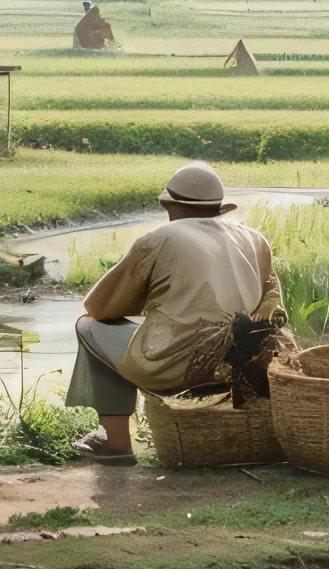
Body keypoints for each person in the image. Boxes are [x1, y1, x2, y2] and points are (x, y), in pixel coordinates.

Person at [65, 162, 282, 463]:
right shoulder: (256, 239)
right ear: (218, 207)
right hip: (243, 364)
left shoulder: (159, 239)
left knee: (90, 327)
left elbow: (98, 307)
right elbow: (269, 300)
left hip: (183, 368)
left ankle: (115, 443)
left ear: (169, 205)